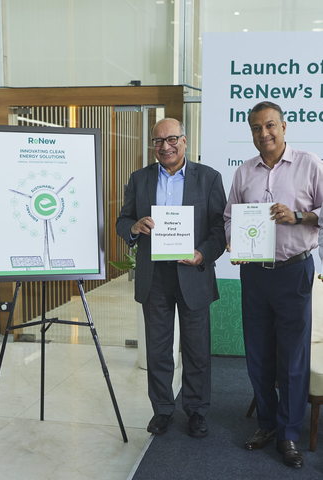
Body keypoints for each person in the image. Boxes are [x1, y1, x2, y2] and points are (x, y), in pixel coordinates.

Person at [224, 101, 323, 469]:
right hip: (253, 273)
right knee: (259, 354)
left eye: (269, 126)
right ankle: (266, 424)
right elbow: (230, 215)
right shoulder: (244, 172)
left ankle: (289, 434)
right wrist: (233, 239)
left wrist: (298, 216)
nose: (263, 134)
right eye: (255, 128)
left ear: (284, 127)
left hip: (293, 272)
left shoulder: (309, 164)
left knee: (293, 357)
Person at [116, 118, 226, 437]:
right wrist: (134, 228)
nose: (165, 146)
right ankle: (163, 410)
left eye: (172, 139)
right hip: (156, 276)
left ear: (185, 140)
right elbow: (123, 220)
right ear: (153, 145)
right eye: (158, 141)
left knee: (196, 349)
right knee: (159, 349)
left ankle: (196, 411)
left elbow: (219, 230)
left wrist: (202, 253)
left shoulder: (208, 178)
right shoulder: (139, 179)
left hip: (193, 272)